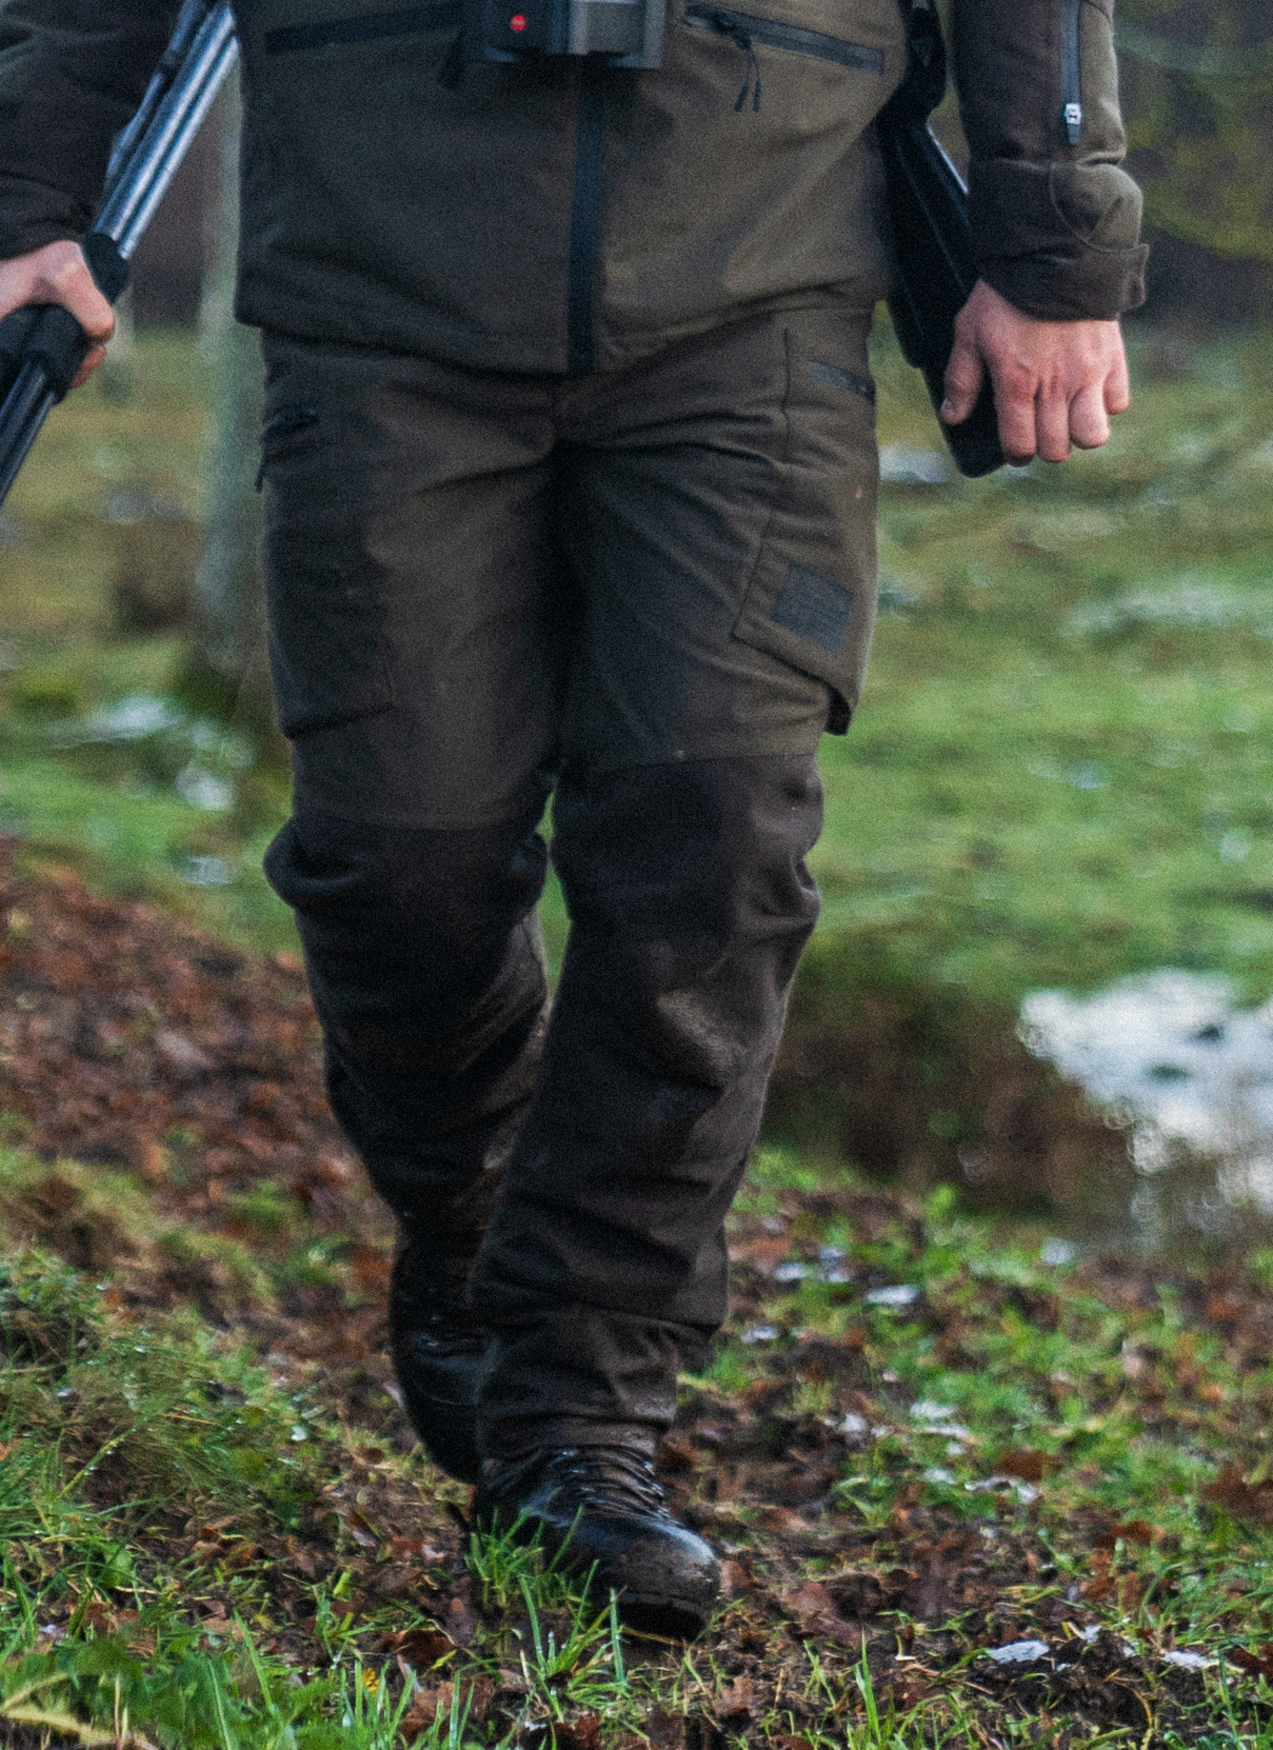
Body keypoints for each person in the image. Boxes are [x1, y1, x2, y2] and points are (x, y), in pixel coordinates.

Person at [0, 0, 1143, 1637]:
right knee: (397, 863)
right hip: (382, 258)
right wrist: (31, 194)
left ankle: (580, 1414)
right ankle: (473, 1206)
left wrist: (1057, 238)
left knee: (715, 838)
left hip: (758, 249)